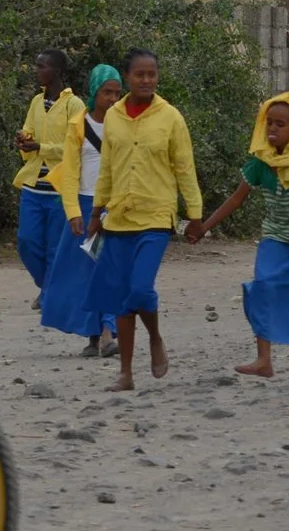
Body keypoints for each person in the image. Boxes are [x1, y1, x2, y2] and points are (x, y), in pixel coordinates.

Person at [190, 94, 289, 391]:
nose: (273, 129)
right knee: (262, 287)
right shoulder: (260, 161)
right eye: (269, 123)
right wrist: (204, 227)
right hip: (275, 238)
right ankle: (263, 360)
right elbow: (236, 199)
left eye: (281, 124)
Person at [89, 50, 203, 392]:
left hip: (155, 217)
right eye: (139, 74)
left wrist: (195, 216)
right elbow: (107, 168)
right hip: (119, 218)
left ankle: (154, 336)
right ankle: (125, 374)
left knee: (139, 289)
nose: (146, 80)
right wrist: (96, 212)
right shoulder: (114, 117)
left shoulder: (170, 117)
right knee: (123, 296)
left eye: (152, 74)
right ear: (126, 76)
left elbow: (185, 168)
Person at [41, 65, 123, 355]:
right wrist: (74, 212)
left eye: (117, 93)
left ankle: (108, 333)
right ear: (94, 92)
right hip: (86, 206)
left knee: (109, 269)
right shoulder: (78, 124)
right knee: (85, 273)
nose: (112, 99)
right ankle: (94, 335)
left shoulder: (124, 123)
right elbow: (70, 172)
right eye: (106, 92)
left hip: (114, 208)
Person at [12, 49, 84, 297]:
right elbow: (29, 130)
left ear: (57, 71)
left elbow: (75, 148)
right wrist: (23, 140)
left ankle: (50, 297)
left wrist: (41, 147)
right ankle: (49, 288)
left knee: (55, 247)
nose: (37, 71)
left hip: (59, 189)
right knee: (26, 242)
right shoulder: (36, 102)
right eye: (37, 65)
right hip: (33, 186)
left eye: (42, 66)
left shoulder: (74, 105)